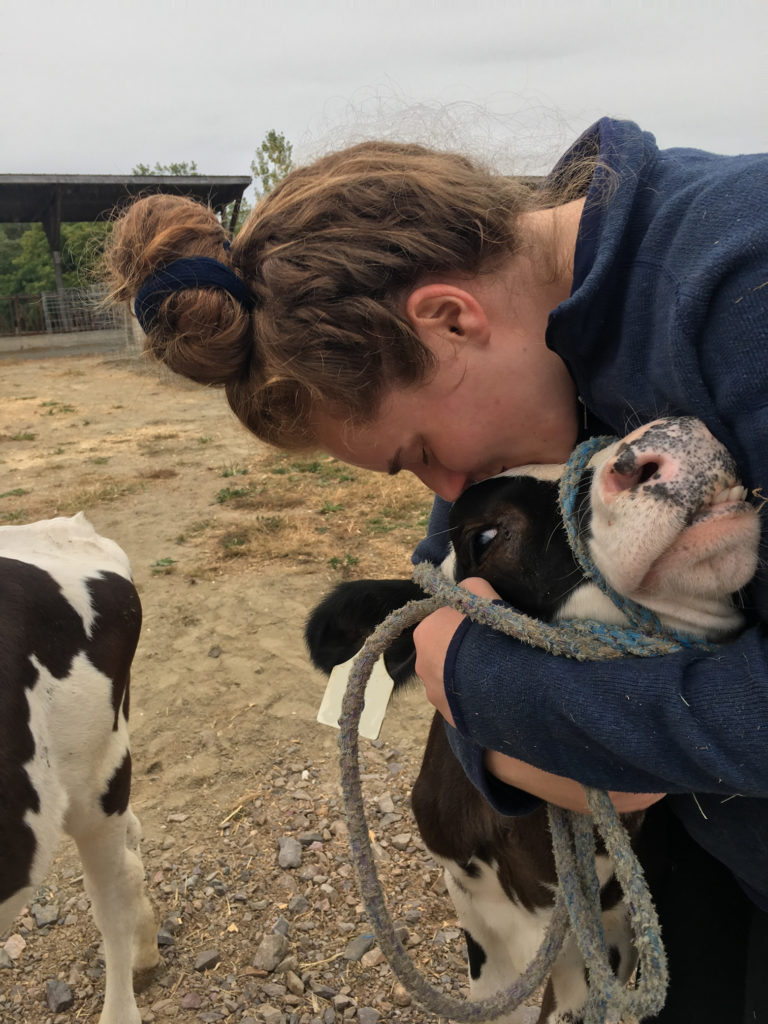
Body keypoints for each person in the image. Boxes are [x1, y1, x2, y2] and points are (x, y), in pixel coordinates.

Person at [105, 118, 768, 1021]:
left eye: (418, 451)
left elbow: (464, 659)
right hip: (714, 853)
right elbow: (451, 593)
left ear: (449, 318)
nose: (447, 489)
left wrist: (497, 696)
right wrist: (495, 717)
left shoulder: (741, 282)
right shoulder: (542, 357)